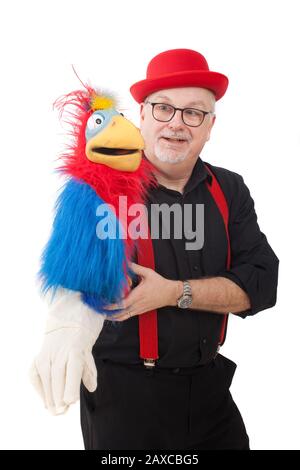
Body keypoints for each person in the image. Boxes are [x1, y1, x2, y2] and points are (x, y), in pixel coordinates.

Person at [33, 48, 279, 450]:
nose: (177, 124)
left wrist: (173, 292)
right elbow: (76, 272)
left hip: (210, 391)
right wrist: (66, 325)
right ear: (142, 115)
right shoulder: (102, 190)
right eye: (164, 108)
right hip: (125, 398)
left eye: (193, 112)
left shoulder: (229, 189)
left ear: (210, 125)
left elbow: (262, 284)